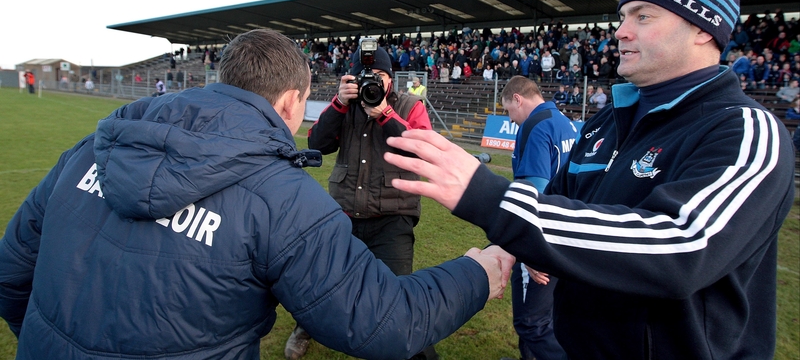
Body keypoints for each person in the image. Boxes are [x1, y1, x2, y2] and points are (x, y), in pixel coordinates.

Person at [0, 29, 513, 360]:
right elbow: (383, 319)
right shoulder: (284, 200)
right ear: (293, 100)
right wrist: (475, 272)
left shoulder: (93, 147)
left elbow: (11, 272)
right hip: (342, 213)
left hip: (390, 215)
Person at [383, 0, 794, 360]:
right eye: (622, 17)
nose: (621, 32)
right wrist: (509, 248)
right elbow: (558, 204)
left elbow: (683, 247)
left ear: (703, 29)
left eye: (643, 16)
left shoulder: (745, 129)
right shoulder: (606, 124)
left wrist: (486, 195)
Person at [288, 44, 440, 360]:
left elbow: (423, 149)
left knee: (399, 295)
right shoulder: (346, 106)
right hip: (345, 211)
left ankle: (418, 352)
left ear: (391, 79)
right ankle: (306, 326)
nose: (373, 82)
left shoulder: (410, 105)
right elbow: (317, 144)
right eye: (366, 76)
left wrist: (385, 115)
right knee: (321, 279)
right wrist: (340, 103)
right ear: (353, 79)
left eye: (381, 75)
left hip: (392, 215)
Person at [500, 77, 575, 360]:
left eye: (508, 110)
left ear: (518, 99)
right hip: (566, 231)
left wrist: (529, 250)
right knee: (549, 317)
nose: (512, 118)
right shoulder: (564, 121)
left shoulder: (534, 125)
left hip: (542, 237)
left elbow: (534, 193)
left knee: (530, 322)